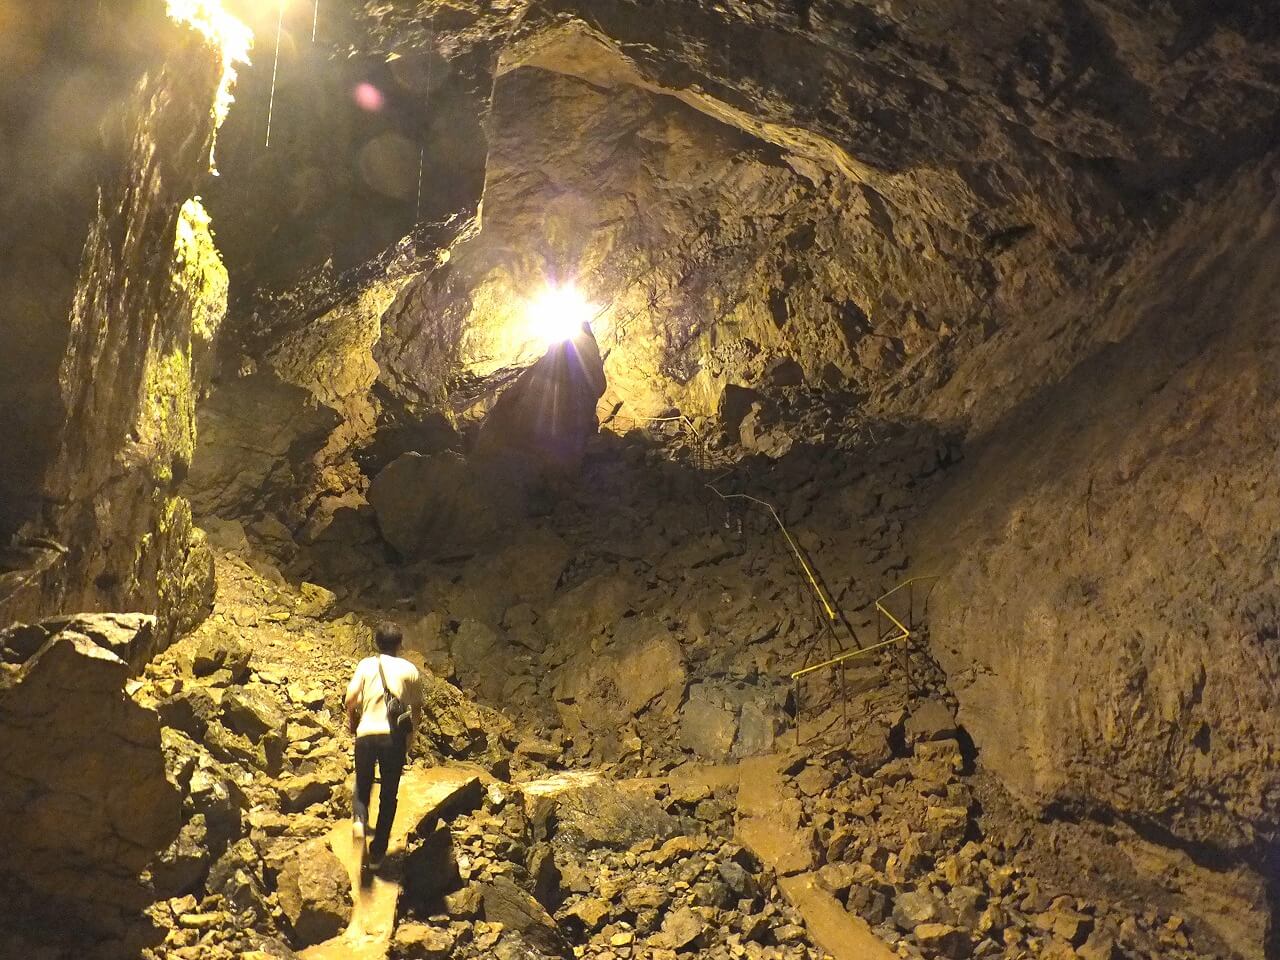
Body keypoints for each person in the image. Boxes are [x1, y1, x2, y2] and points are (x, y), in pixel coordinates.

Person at [344, 621, 422, 867]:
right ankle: (378, 853)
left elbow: (351, 698)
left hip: (366, 733)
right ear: (400, 644)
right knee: (389, 793)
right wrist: (412, 734)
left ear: (376, 643)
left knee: (363, 783)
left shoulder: (366, 665)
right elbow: (417, 709)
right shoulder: (410, 669)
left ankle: (359, 820)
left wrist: (351, 718)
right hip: (393, 738)